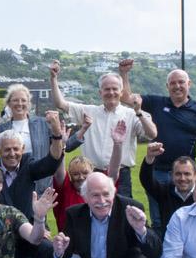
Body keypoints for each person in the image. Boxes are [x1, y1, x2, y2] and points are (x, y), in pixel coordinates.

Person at [118, 59, 196, 227]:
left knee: (190, 216)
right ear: (167, 86)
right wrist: (124, 74)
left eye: (181, 82)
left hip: (185, 173)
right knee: (159, 218)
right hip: (158, 172)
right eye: (173, 83)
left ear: (189, 84)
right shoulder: (157, 103)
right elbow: (126, 98)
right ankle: (160, 251)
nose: (177, 86)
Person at [49, 61, 155, 197]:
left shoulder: (132, 114)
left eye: (115, 89)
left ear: (121, 92)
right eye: (107, 89)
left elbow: (152, 134)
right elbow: (60, 103)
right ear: (100, 92)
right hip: (92, 174)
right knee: (92, 213)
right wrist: (53, 78)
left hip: (121, 177)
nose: (111, 92)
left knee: (119, 215)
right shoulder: (89, 111)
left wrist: (139, 112)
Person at [0, 125, 67, 258]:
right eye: (7, 149)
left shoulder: (28, 165)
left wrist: (55, 133)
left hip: (27, 233)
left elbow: (52, 162)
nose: (12, 154)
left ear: (23, 149)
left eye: (16, 149)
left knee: (46, 249)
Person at [0, 84, 55, 193]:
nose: (19, 103)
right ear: (9, 103)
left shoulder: (42, 124)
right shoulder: (3, 128)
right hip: (11, 180)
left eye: (23, 100)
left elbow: (63, 146)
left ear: (29, 104)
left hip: (38, 181)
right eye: (15, 100)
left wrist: (81, 132)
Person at [139, 143, 196, 236]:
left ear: (195, 175)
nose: (182, 178)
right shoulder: (164, 192)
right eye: (178, 174)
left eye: (187, 174)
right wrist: (149, 158)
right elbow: (147, 181)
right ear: (171, 175)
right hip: (169, 242)